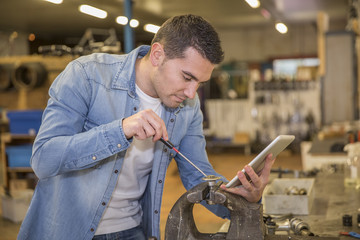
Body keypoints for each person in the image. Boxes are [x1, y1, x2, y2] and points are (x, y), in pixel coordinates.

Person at [18, 14, 275, 240]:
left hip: (134, 230)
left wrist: (241, 198)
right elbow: (44, 159)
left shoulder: (188, 106)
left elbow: (198, 175)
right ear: (157, 55)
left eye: (199, 83)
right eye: (187, 77)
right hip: (68, 231)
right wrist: (120, 130)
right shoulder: (85, 75)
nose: (190, 92)